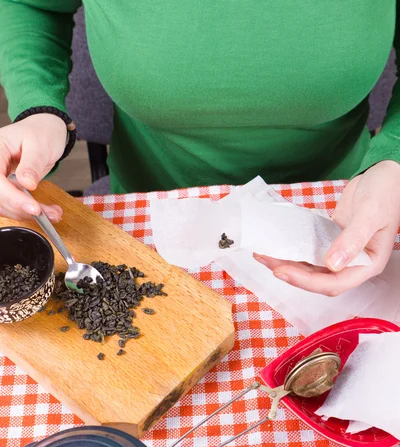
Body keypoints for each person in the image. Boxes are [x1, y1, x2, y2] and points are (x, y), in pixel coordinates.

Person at [0, 1, 400, 297]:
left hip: (345, 214)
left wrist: (394, 156)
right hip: (148, 223)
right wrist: (39, 107)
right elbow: (32, 4)